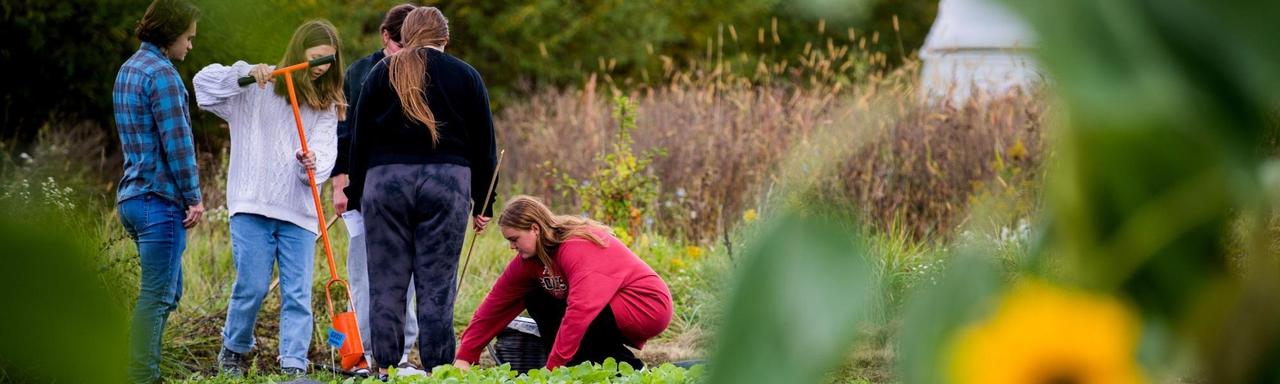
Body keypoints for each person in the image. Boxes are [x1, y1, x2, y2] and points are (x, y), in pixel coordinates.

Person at [344, 5, 497, 379]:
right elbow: (485, 146)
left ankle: (386, 368)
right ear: (445, 37)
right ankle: (438, 369)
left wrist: (356, 195)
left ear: (406, 34)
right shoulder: (466, 76)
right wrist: (485, 202)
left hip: (385, 184)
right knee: (437, 284)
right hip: (447, 183)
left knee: (386, 283)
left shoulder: (380, 74)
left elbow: (358, 141)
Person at [193, 19, 345, 377]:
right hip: (252, 204)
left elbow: (324, 152)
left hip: (300, 213)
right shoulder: (257, 88)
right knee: (253, 285)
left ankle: (293, 364)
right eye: (316, 57)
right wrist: (245, 73)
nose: (322, 66)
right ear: (299, 52)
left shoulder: (325, 105)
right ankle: (234, 350)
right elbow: (203, 85)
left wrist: (311, 164)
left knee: (297, 294)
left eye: (329, 60)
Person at [454, 196, 673, 370]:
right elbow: (495, 304)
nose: (512, 247)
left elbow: (581, 311)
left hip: (646, 307)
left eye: (514, 239)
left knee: (576, 320)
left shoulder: (577, 247)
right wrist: (466, 355)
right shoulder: (529, 261)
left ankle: (633, 370)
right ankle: (577, 370)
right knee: (538, 299)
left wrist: (553, 369)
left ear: (535, 229)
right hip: (605, 308)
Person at [113, 1, 203, 382]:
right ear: (171, 35)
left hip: (132, 198)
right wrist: (194, 197)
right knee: (156, 298)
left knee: (168, 291)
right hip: (158, 200)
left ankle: (142, 368)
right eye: (188, 38)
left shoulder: (128, 70)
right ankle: (142, 376)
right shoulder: (163, 75)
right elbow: (177, 144)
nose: (190, 46)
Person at [331, 3, 422, 374]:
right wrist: (341, 185)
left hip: (410, 191)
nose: (407, 51)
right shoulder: (360, 73)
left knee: (410, 275)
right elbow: (344, 133)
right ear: (386, 37)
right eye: (402, 43)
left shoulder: (423, 66)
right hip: (365, 189)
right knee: (365, 272)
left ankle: (401, 352)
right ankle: (366, 351)